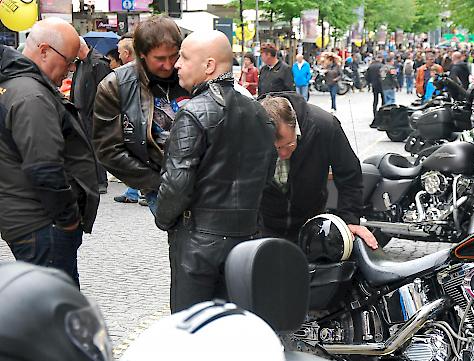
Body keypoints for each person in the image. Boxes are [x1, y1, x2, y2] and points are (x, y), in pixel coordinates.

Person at [155, 31, 275, 312]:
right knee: (232, 327)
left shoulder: (194, 112)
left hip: (199, 243)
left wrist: (163, 219)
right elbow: (266, 175)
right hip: (244, 239)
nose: (176, 65)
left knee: (192, 329)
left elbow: (176, 184)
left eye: (184, 57)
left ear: (209, 66)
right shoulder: (258, 112)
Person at [0, 18, 99, 285]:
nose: (69, 71)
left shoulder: (19, 87)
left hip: (30, 220)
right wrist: (67, 220)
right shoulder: (31, 95)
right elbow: (44, 168)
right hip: (41, 224)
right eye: (68, 61)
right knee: (56, 309)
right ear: (44, 50)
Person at [93, 16, 190, 213]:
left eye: (174, 56)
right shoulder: (114, 85)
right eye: (160, 59)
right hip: (158, 183)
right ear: (142, 55)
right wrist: (156, 182)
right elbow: (108, 150)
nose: (169, 65)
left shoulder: (190, 72)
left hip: (201, 179)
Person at [258, 93, 378, 249]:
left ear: (295, 126)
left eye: (289, 145)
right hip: (263, 226)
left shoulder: (325, 126)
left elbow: (349, 175)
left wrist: (349, 220)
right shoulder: (248, 131)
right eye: (275, 149)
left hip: (310, 225)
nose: (283, 154)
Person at [71, 36, 113, 195]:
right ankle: (92, 179)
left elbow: (104, 92)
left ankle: (101, 181)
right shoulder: (82, 63)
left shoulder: (98, 63)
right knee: (87, 147)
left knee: (96, 148)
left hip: (93, 113)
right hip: (81, 112)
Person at [112, 32, 141, 204]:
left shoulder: (130, 73)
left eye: (120, 52)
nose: (119, 55)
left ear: (127, 53)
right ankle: (133, 191)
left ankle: (136, 191)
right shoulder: (126, 73)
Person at [366, 55, 384, 126]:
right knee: (383, 100)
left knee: (375, 100)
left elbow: (367, 76)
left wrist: (369, 83)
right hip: (382, 85)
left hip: (374, 85)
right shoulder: (382, 66)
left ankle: (375, 114)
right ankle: (383, 114)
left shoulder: (371, 66)